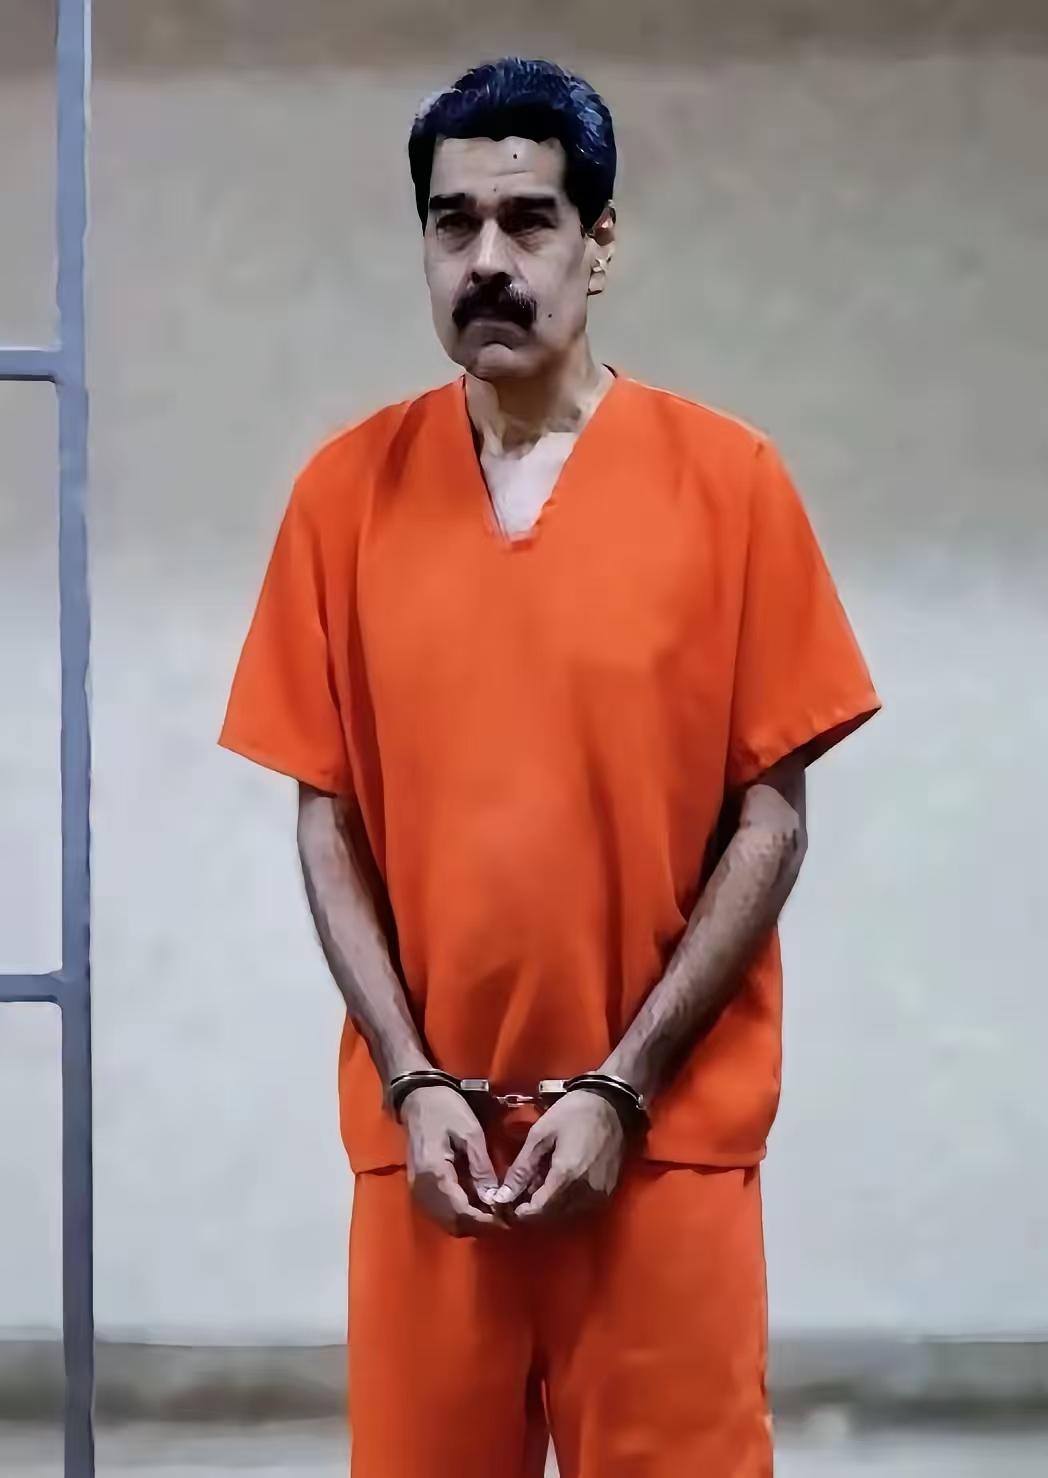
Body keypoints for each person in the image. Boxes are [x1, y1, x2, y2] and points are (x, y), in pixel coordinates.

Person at [220, 56, 880, 1478]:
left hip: (664, 1147)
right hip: (433, 1151)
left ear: (600, 241)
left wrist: (624, 1088)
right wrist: (411, 1080)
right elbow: (326, 821)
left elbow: (771, 822)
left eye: (528, 220)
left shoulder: (728, 485)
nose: (488, 261)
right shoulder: (344, 496)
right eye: (453, 223)